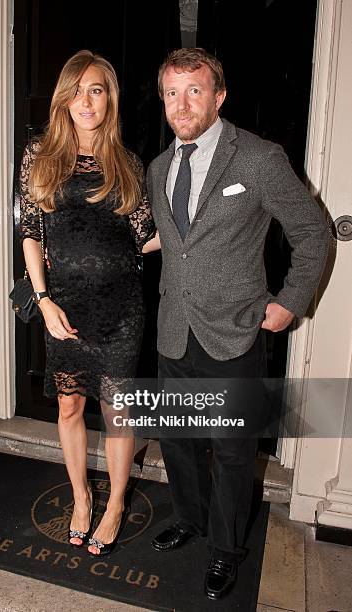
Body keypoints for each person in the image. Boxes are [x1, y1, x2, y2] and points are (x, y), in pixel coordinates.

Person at [146, 48, 330, 600]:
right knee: (177, 440)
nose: (182, 104)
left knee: (231, 452)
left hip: (235, 331)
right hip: (174, 329)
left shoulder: (258, 158)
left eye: (195, 90)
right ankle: (191, 518)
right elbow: (171, 239)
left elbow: (313, 232)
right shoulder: (158, 167)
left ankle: (225, 548)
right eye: (172, 93)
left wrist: (290, 301)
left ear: (218, 96)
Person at [19, 50, 157, 556]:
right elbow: (31, 232)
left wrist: (198, 228)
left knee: (119, 412)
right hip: (65, 307)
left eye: (96, 89)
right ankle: (81, 498)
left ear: (109, 98)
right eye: (76, 90)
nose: (85, 100)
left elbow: (143, 235)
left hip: (122, 310)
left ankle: (116, 503)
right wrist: (43, 299)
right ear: (63, 98)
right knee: (70, 404)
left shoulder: (128, 162)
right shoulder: (40, 155)